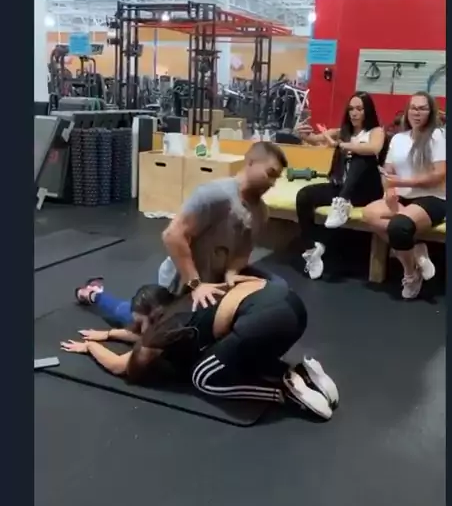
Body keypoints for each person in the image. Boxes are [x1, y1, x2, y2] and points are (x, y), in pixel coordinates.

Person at [63, 277, 340, 420]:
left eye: (140, 324)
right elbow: (141, 331)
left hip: (263, 321)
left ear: (155, 316)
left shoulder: (163, 330)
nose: (138, 330)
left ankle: (285, 392)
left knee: (203, 377)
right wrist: (109, 333)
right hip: (291, 308)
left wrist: (90, 347)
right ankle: (303, 372)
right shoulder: (188, 298)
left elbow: (119, 366)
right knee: (238, 354)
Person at [158, 141, 289, 309]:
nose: (272, 183)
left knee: (279, 287)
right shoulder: (214, 194)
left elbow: (243, 251)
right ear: (250, 162)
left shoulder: (261, 212)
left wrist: (232, 273)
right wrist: (196, 285)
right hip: (182, 285)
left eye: (276, 178)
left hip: (214, 284)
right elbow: (172, 236)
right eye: (270, 173)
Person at [362, 92, 446, 300]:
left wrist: (401, 183)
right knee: (370, 214)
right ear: (407, 111)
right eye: (413, 108)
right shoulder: (398, 138)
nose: (417, 112)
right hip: (402, 197)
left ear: (431, 112)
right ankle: (417, 251)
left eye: (423, 108)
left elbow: (439, 175)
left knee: (398, 227)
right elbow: (387, 171)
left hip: (432, 198)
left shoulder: (438, 136)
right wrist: (389, 190)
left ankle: (410, 274)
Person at [295, 92, 386, 279]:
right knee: (304, 195)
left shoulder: (376, 131)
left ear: (367, 111)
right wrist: (304, 134)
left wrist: (341, 145)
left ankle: (343, 201)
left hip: (366, 191)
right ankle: (312, 249)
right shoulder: (342, 132)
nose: (354, 113)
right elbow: (316, 139)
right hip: (342, 186)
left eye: (359, 109)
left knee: (362, 155)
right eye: (351, 109)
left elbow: (373, 148)